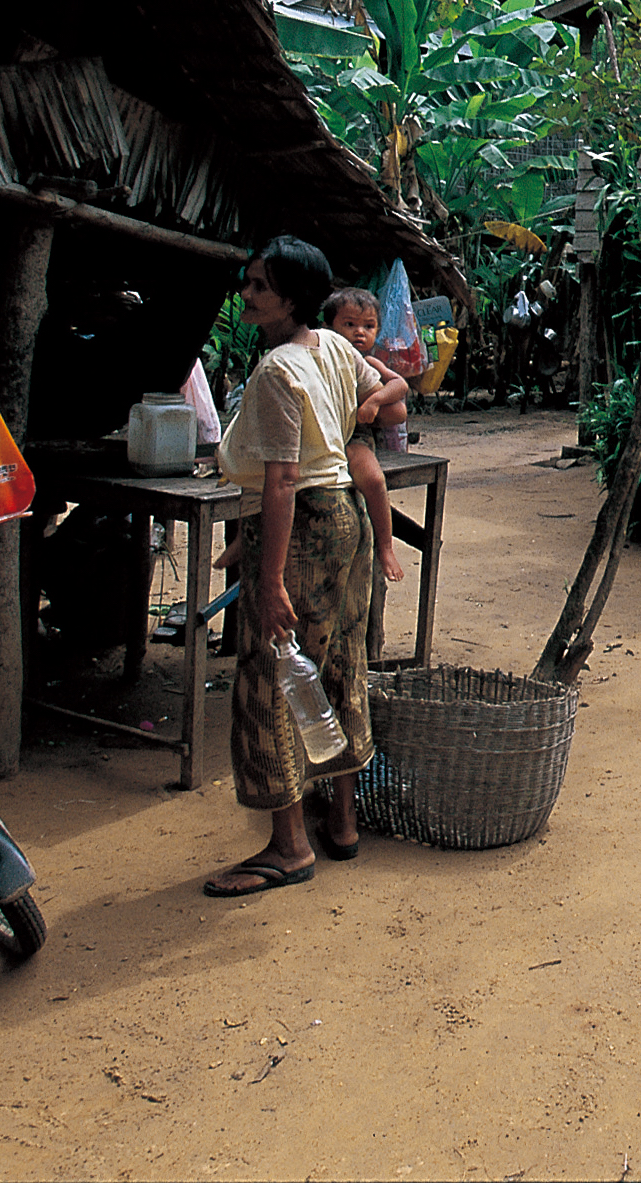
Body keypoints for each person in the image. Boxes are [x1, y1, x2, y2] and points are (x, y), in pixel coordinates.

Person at [204, 236, 387, 898]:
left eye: (259, 285)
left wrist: (272, 576)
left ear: (290, 294)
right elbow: (384, 392)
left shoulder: (279, 369)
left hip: (303, 522)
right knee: (338, 662)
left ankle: (288, 844)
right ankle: (341, 818)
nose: (247, 294)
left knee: (271, 671)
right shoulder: (336, 347)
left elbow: (281, 481)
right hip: (345, 521)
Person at [321, 287, 412, 587]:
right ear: (328, 326)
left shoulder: (370, 363)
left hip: (355, 437)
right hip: (321, 436)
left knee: (373, 480)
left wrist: (373, 402)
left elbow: (400, 387)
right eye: (349, 324)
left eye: (368, 326)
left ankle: (385, 546)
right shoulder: (321, 357)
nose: (360, 332)